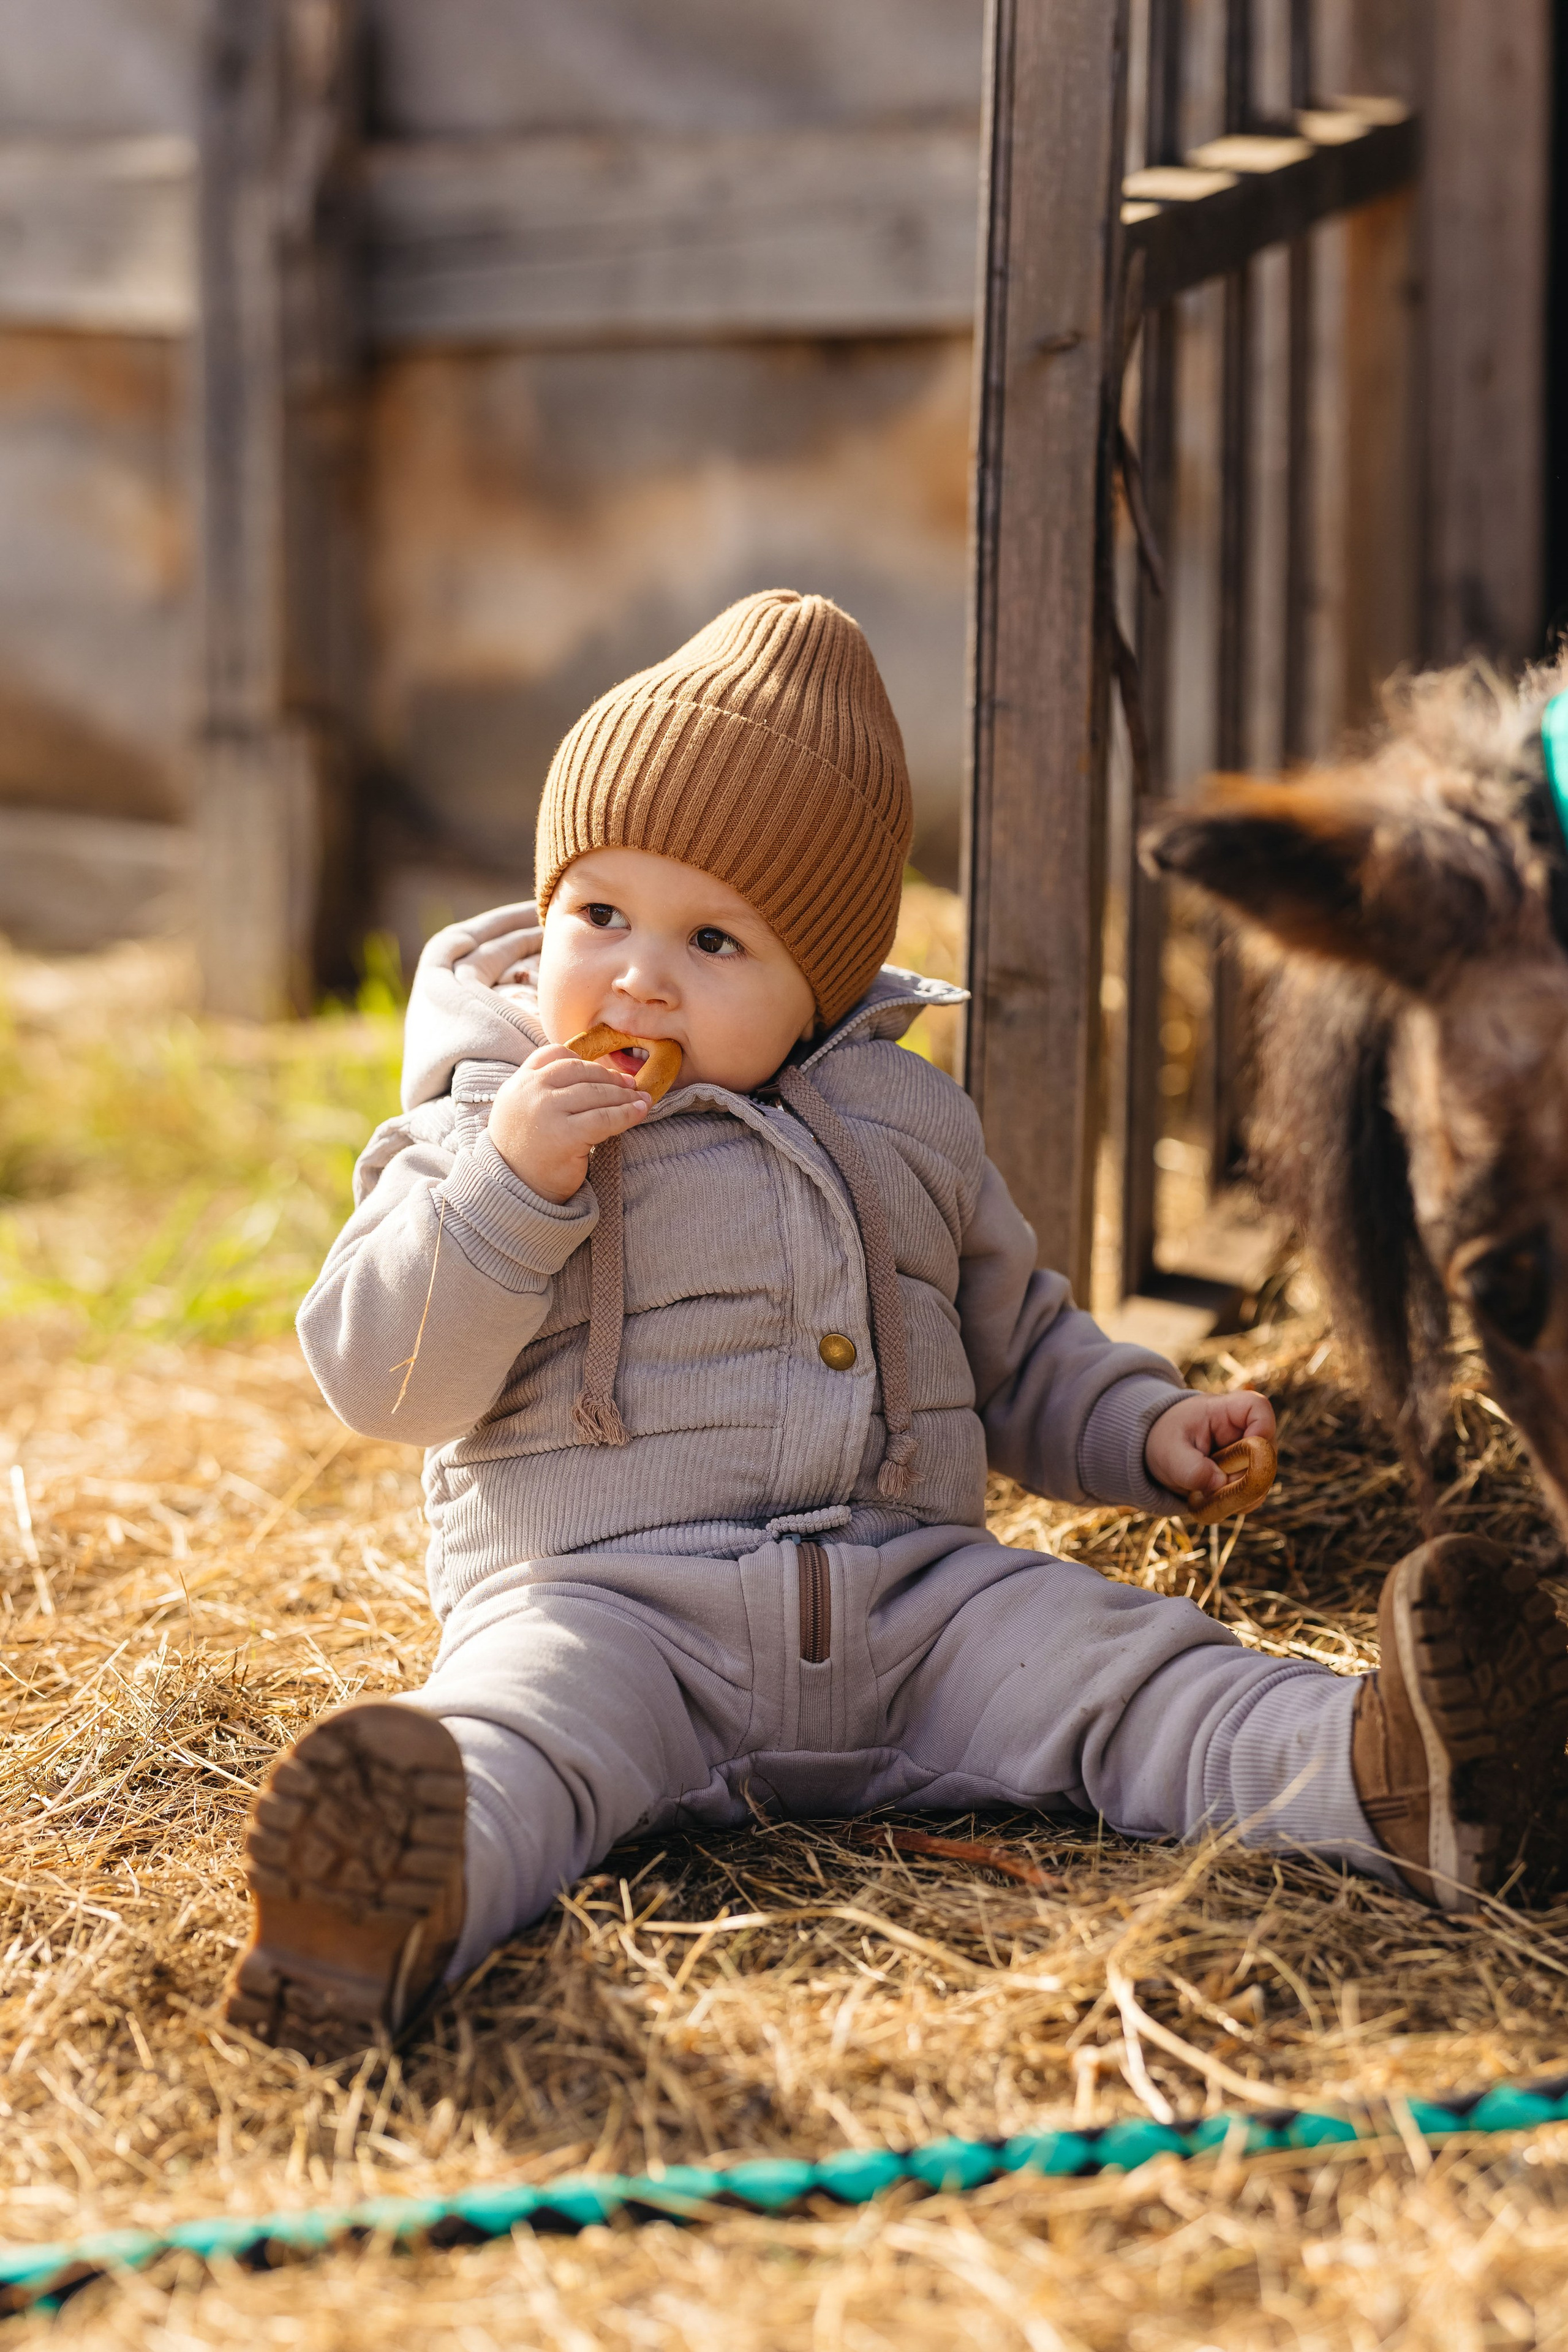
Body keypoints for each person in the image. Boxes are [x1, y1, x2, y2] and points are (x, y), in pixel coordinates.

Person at [223, 590, 1568, 2060]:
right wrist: (509, 1186)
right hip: (611, 1606)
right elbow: (377, 1376)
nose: (637, 974)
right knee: (524, 1742)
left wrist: (1142, 1428)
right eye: (597, 914)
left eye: (715, 940)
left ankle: (1388, 1779)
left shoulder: (906, 1122)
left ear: (820, 985)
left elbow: (1017, 1343)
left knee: (1133, 1672)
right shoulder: (484, 1119)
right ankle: (394, 1896)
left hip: (913, 1599)